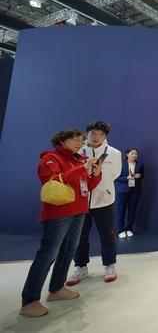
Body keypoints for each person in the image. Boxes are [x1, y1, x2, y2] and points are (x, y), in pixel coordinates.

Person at [20, 129, 102, 318]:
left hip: (79, 211)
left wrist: (95, 174)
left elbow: (86, 187)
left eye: (81, 141)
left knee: (68, 252)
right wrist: (82, 168)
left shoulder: (78, 160)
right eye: (76, 139)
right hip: (59, 213)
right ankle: (29, 301)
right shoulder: (50, 158)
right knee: (48, 255)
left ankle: (57, 288)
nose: (79, 143)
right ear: (62, 140)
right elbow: (52, 182)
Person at [67, 121, 122, 286]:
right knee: (79, 236)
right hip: (80, 201)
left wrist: (101, 188)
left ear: (106, 136)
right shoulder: (77, 151)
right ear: (86, 134)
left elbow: (115, 174)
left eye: (101, 135)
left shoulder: (114, 153)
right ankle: (81, 267)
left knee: (107, 235)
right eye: (93, 133)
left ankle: (109, 265)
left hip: (104, 200)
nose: (96, 137)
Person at [115, 148, 144, 238]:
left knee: (132, 210)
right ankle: (120, 230)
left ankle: (129, 229)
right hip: (123, 190)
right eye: (132, 153)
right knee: (121, 211)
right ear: (127, 154)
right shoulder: (121, 164)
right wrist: (126, 178)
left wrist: (139, 175)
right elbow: (116, 177)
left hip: (135, 190)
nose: (134, 155)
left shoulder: (140, 164)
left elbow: (143, 174)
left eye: (136, 154)